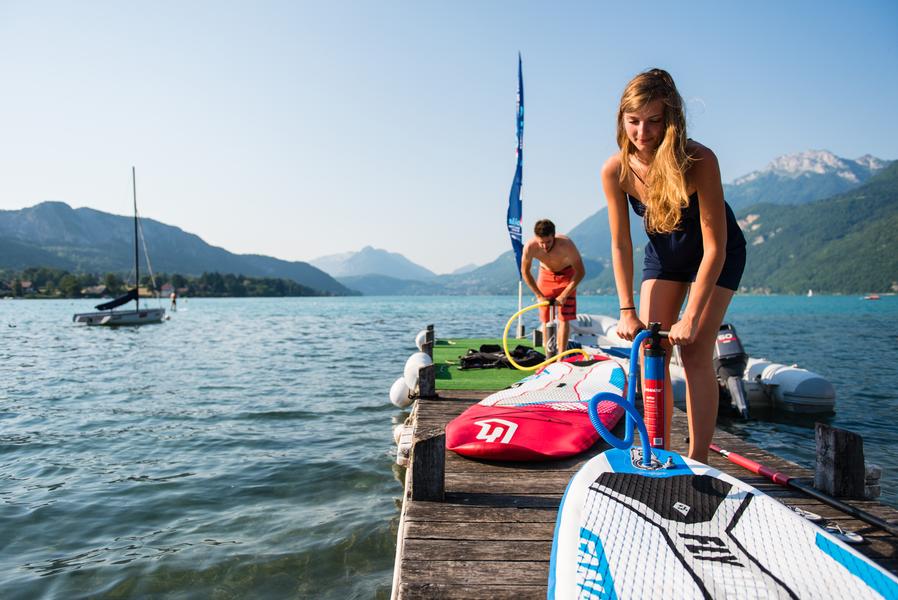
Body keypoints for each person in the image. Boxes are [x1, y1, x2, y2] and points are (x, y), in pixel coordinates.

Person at [600, 68, 747, 463]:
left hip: (716, 255)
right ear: (622, 120)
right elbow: (620, 243)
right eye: (633, 122)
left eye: (653, 121)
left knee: (697, 349)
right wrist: (626, 309)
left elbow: (715, 247)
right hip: (664, 253)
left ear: (671, 121)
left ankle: (698, 461)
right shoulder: (616, 170)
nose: (642, 132)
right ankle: (657, 451)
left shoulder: (699, 160)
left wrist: (691, 317)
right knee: (651, 348)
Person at [521, 219, 586, 355]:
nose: (544, 246)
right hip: (546, 276)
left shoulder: (566, 244)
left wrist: (564, 295)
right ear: (536, 238)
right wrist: (538, 295)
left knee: (564, 318)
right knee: (545, 319)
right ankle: (548, 355)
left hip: (568, 275)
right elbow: (525, 272)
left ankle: (560, 357)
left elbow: (580, 272)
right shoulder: (530, 246)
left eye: (548, 242)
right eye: (541, 243)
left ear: (554, 236)